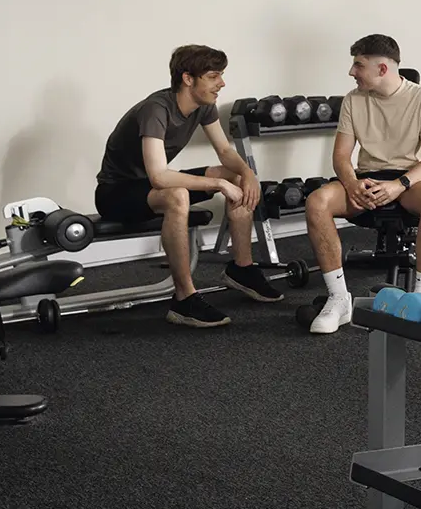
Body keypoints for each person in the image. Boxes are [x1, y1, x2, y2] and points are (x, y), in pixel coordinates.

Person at [95, 44, 283, 329]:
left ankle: (241, 269)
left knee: (235, 177)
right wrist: (217, 183)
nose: (221, 83)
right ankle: (184, 298)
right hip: (116, 193)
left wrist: (247, 173)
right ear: (188, 79)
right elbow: (159, 176)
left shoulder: (203, 107)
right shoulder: (155, 110)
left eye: (221, 75)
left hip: (149, 185)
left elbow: (224, 151)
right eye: (213, 76)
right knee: (178, 195)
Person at [303, 34, 421, 335]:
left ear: (382, 69)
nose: (351, 72)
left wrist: (399, 184)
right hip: (365, 177)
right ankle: (339, 299)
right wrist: (352, 183)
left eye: (358, 65)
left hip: (406, 180)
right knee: (317, 201)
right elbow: (341, 156)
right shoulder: (353, 100)